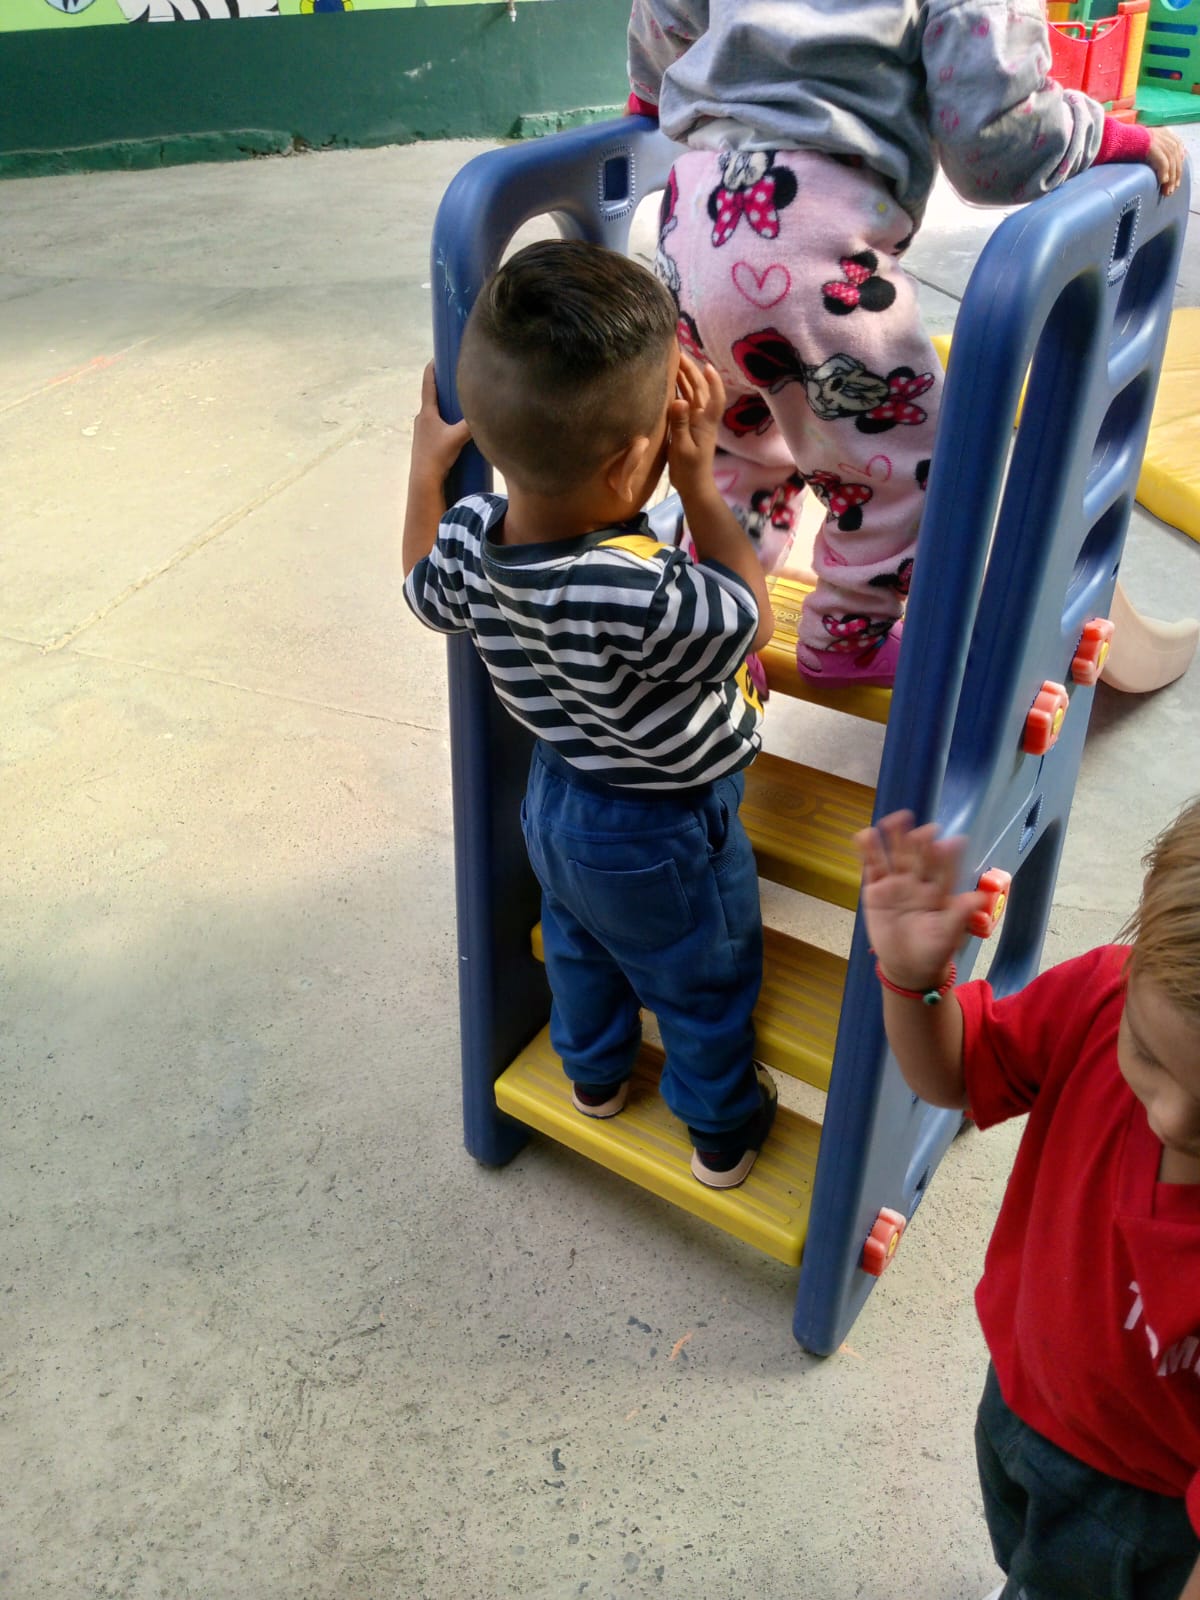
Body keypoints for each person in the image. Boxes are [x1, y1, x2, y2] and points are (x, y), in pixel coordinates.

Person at [627, 0, 1186, 689]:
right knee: (904, 469)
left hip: (694, 226)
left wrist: (649, 94)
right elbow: (995, 143)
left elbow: (664, 18)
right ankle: (846, 633)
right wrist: (1100, 135)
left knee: (740, 450)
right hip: (809, 253)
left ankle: (717, 626)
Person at [403, 239, 779, 1188]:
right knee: (701, 976)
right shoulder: (638, 592)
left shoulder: (472, 539)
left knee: (579, 945)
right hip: (666, 824)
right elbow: (750, 617)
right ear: (632, 464)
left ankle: (596, 1080)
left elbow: (419, 587)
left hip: (557, 801)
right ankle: (721, 1131)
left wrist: (423, 472)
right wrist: (699, 479)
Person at [854, 804, 1200, 1599]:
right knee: (1019, 1546)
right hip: (1019, 1388)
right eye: (1147, 1054)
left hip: (1144, 1500)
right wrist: (914, 983)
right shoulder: (1101, 994)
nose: (1173, 1118)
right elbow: (955, 1074)